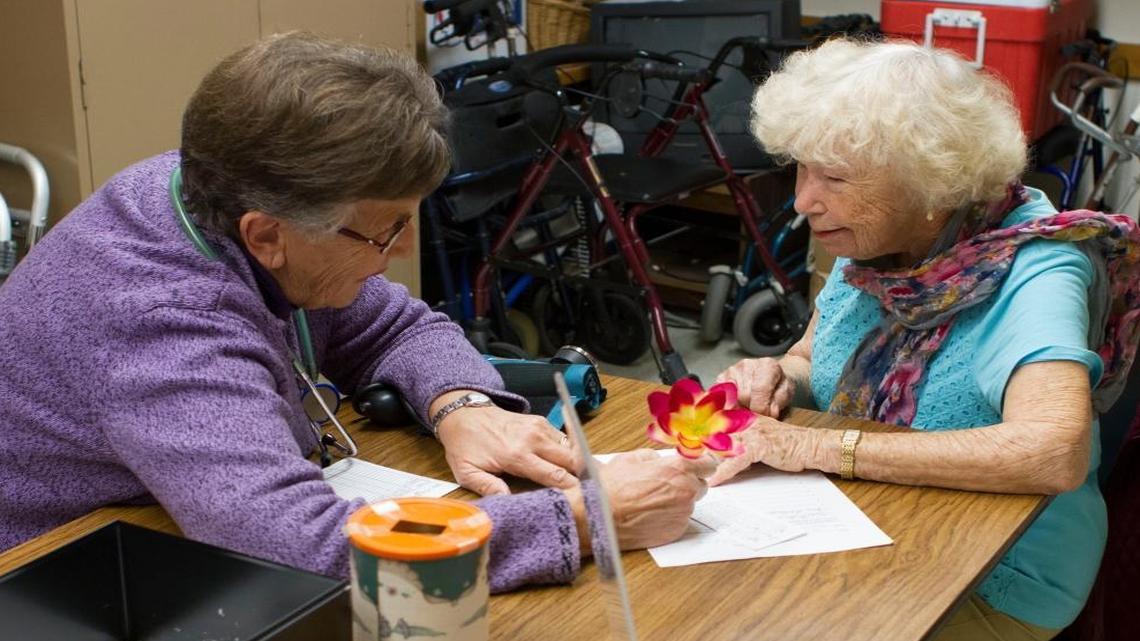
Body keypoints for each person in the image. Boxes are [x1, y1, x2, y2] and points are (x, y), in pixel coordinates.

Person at [0, 32, 712, 592]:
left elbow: (396, 326)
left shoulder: (221, 187)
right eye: (384, 231)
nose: (401, 252)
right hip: (56, 577)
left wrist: (460, 404)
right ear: (267, 235)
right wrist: (583, 519)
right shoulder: (159, 320)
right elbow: (302, 548)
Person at [714, 39, 1140, 640]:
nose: (803, 201)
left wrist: (818, 448)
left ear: (932, 187)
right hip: (870, 517)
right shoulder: (875, 239)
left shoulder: (1038, 269)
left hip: (998, 572)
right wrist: (778, 376)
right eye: (802, 168)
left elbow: (1054, 451)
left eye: (835, 177)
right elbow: (812, 356)